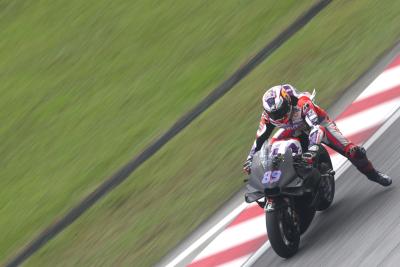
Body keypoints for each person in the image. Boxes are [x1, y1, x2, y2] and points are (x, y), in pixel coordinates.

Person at [243, 84, 391, 186]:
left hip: (317, 124)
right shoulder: (267, 117)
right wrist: (250, 160)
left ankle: (375, 175)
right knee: (273, 145)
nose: (279, 115)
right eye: (274, 113)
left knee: (352, 152)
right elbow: (260, 139)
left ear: (287, 102)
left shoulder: (303, 103)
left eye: (281, 110)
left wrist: (313, 149)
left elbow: (315, 127)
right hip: (292, 129)